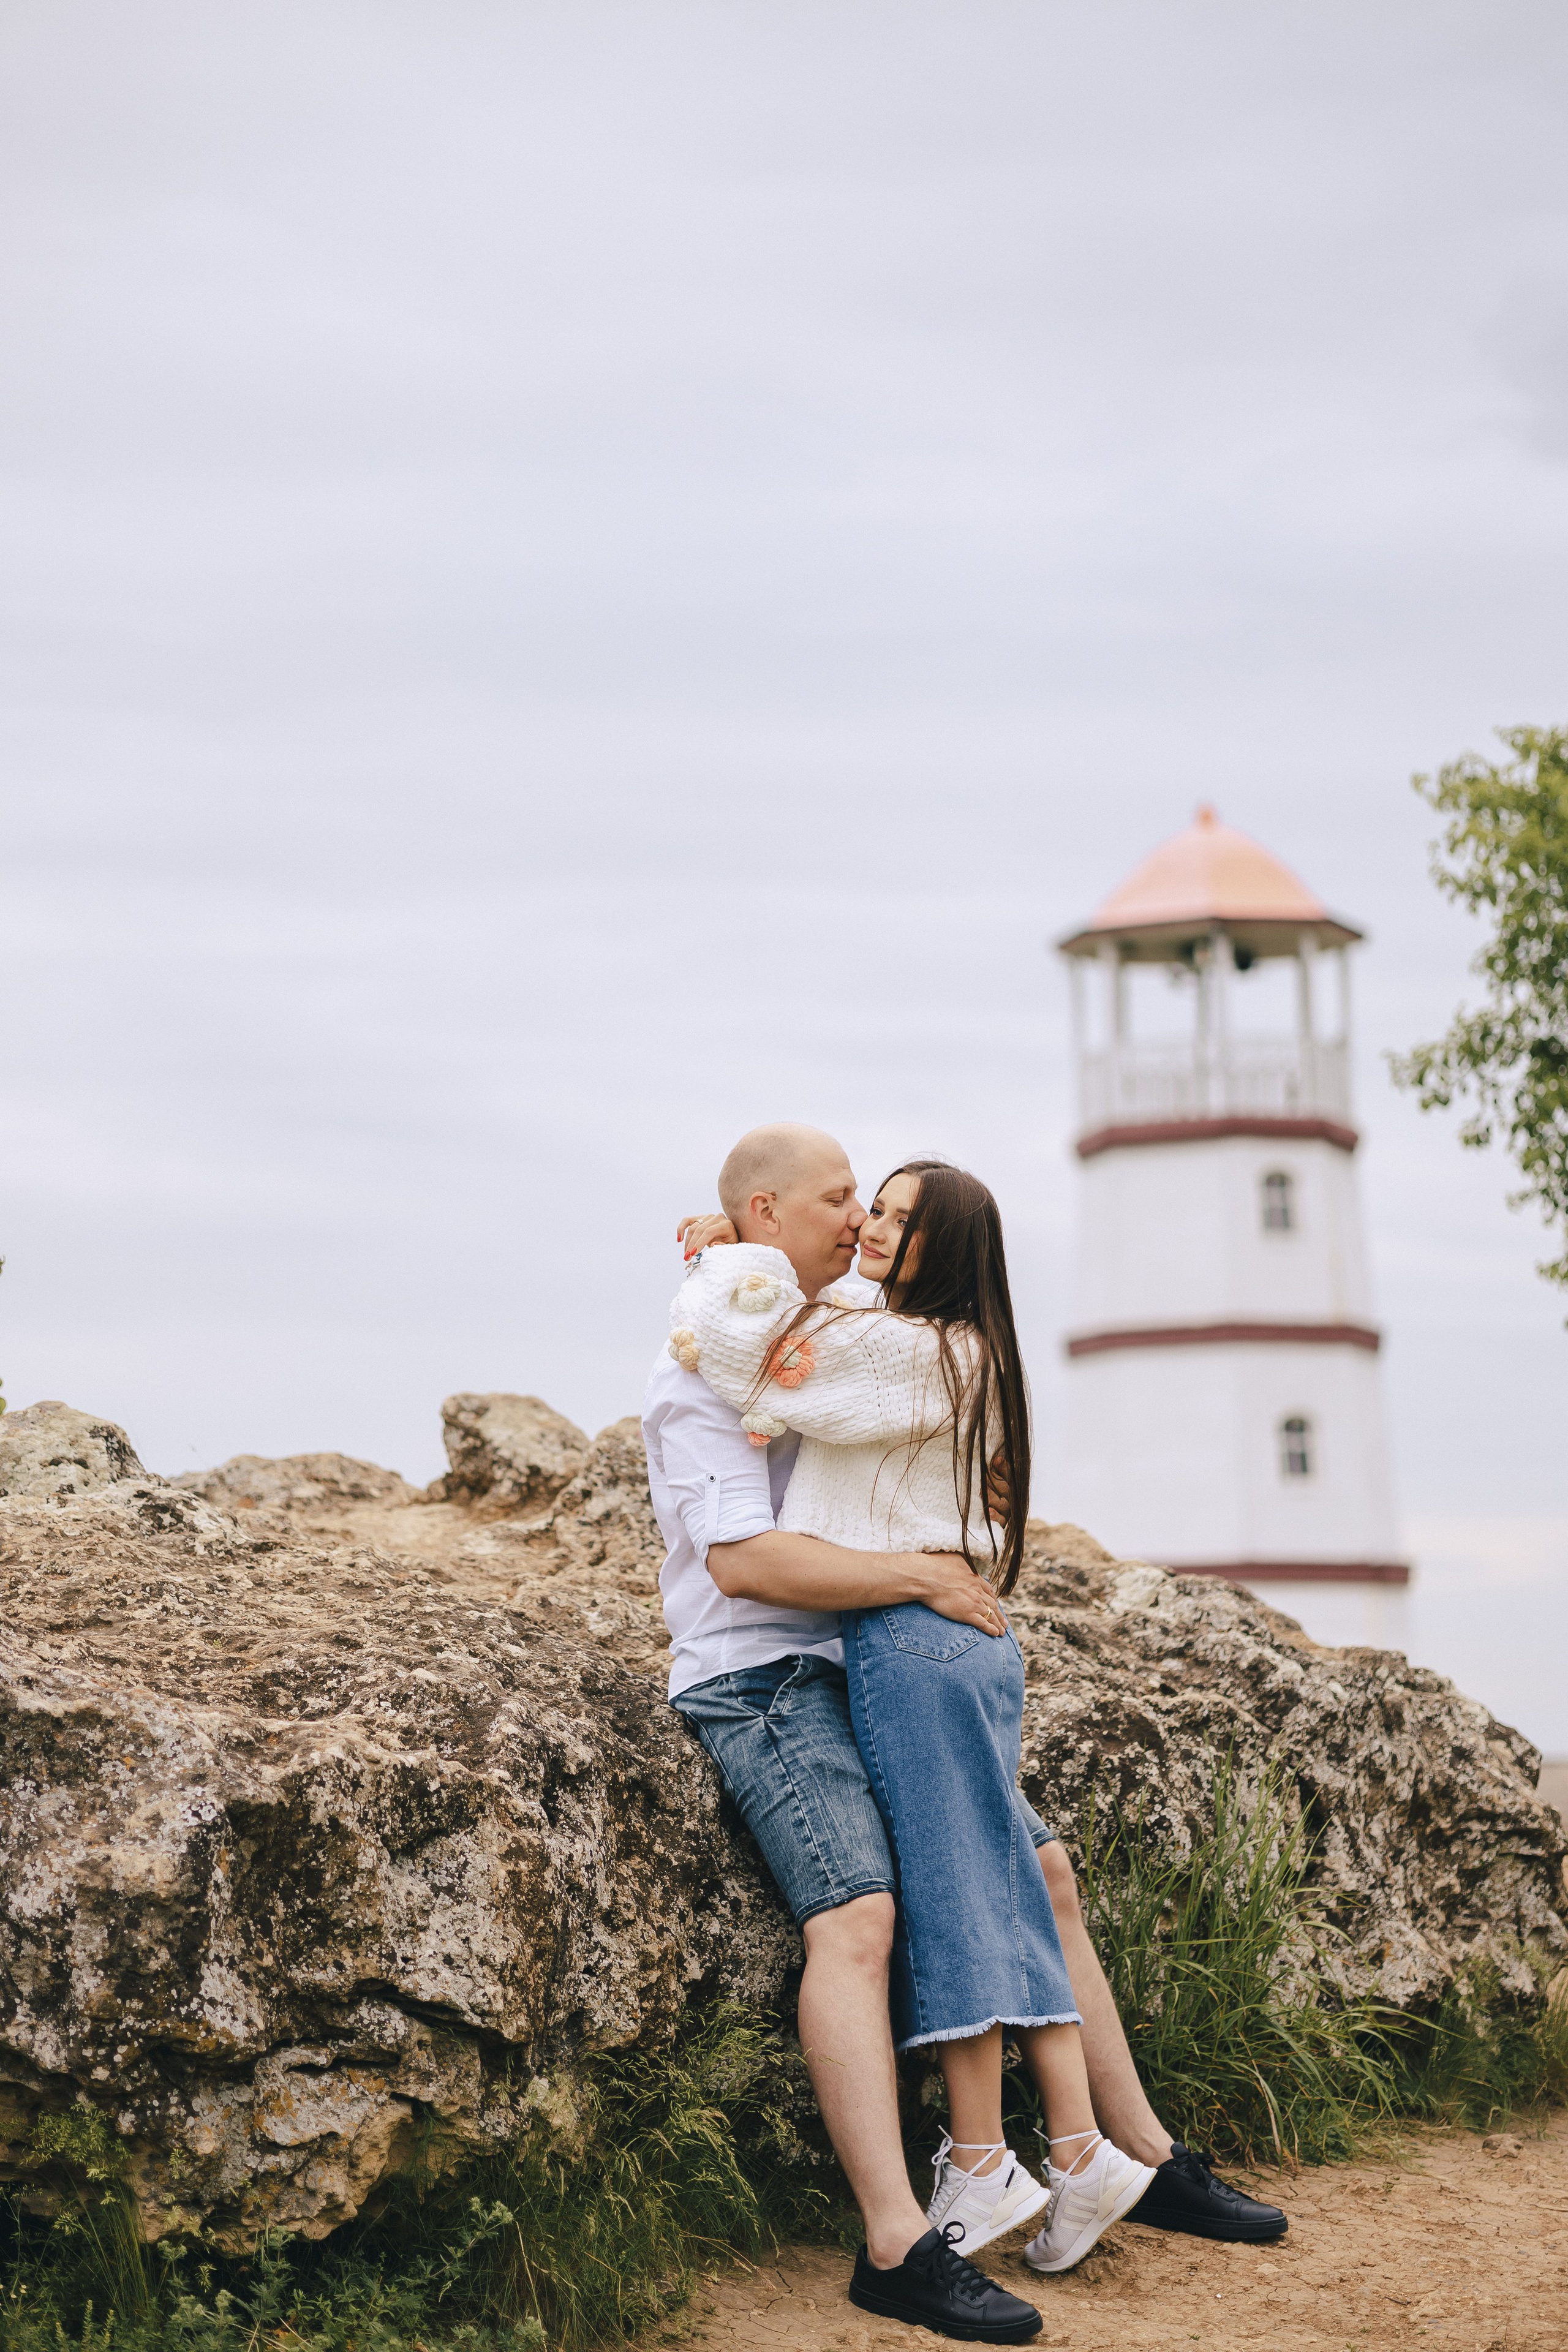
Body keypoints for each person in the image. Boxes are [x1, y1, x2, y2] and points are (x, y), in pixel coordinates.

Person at [641, 1129, 1284, 2339]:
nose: (857, 1221)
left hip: (870, 1661)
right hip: (766, 1675)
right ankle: (897, 2238)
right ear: (773, 1213)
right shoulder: (701, 1376)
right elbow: (745, 1563)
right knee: (860, 1918)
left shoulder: (848, 1346)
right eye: (841, 1200)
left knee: (1044, 1875)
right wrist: (919, 1579)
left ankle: (1137, 2156)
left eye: (870, 1203)